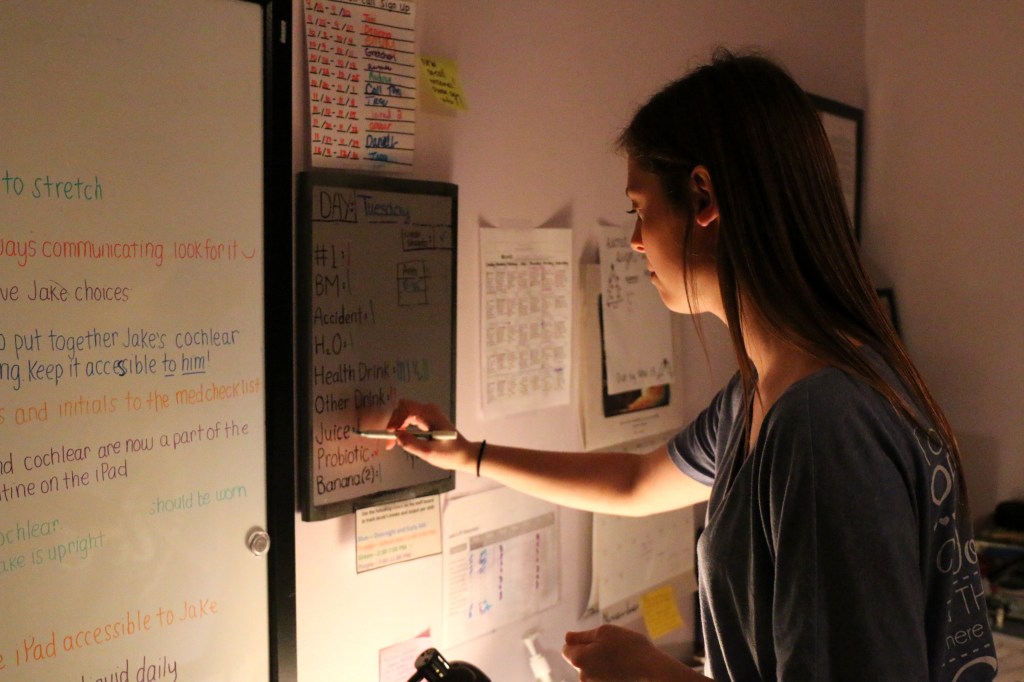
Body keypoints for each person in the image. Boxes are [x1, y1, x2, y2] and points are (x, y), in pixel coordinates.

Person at [380, 50, 997, 681]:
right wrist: (469, 454)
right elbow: (638, 483)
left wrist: (651, 675)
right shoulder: (776, 385)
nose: (636, 241)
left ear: (702, 196)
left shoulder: (821, 422)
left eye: (640, 209)